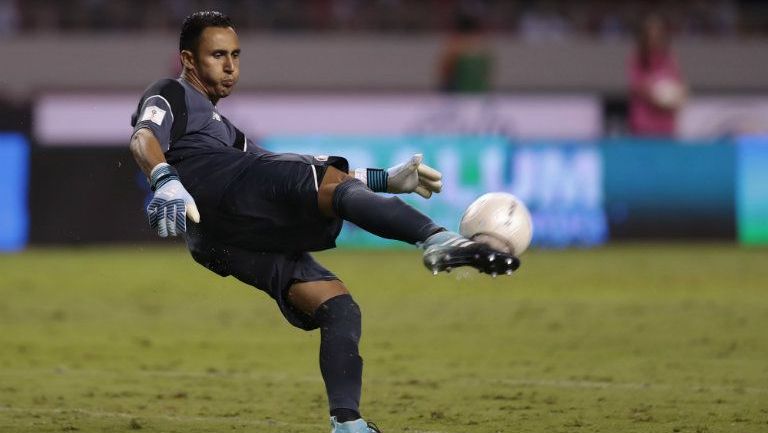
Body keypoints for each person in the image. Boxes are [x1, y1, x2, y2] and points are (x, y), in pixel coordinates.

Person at [129, 11, 519, 433]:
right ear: (189, 60)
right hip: (221, 191)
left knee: (338, 307)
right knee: (323, 182)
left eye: (236, 55)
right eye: (217, 55)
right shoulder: (170, 92)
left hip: (217, 239)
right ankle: (439, 241)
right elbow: (143, 137)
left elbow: (283, 166)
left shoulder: (225, 130)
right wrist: (164, 178)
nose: (230, 66)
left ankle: (347, 423)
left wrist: (383, 180)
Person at [628, 14, 687, 137]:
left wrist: (677, 96)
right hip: (643, 127)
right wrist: (661, 96)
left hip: (666, 127)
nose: (654, 38)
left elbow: (679, 89)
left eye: (658, 34)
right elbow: (638, 88)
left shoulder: (669, 60)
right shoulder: (638, 60)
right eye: (651, 35)